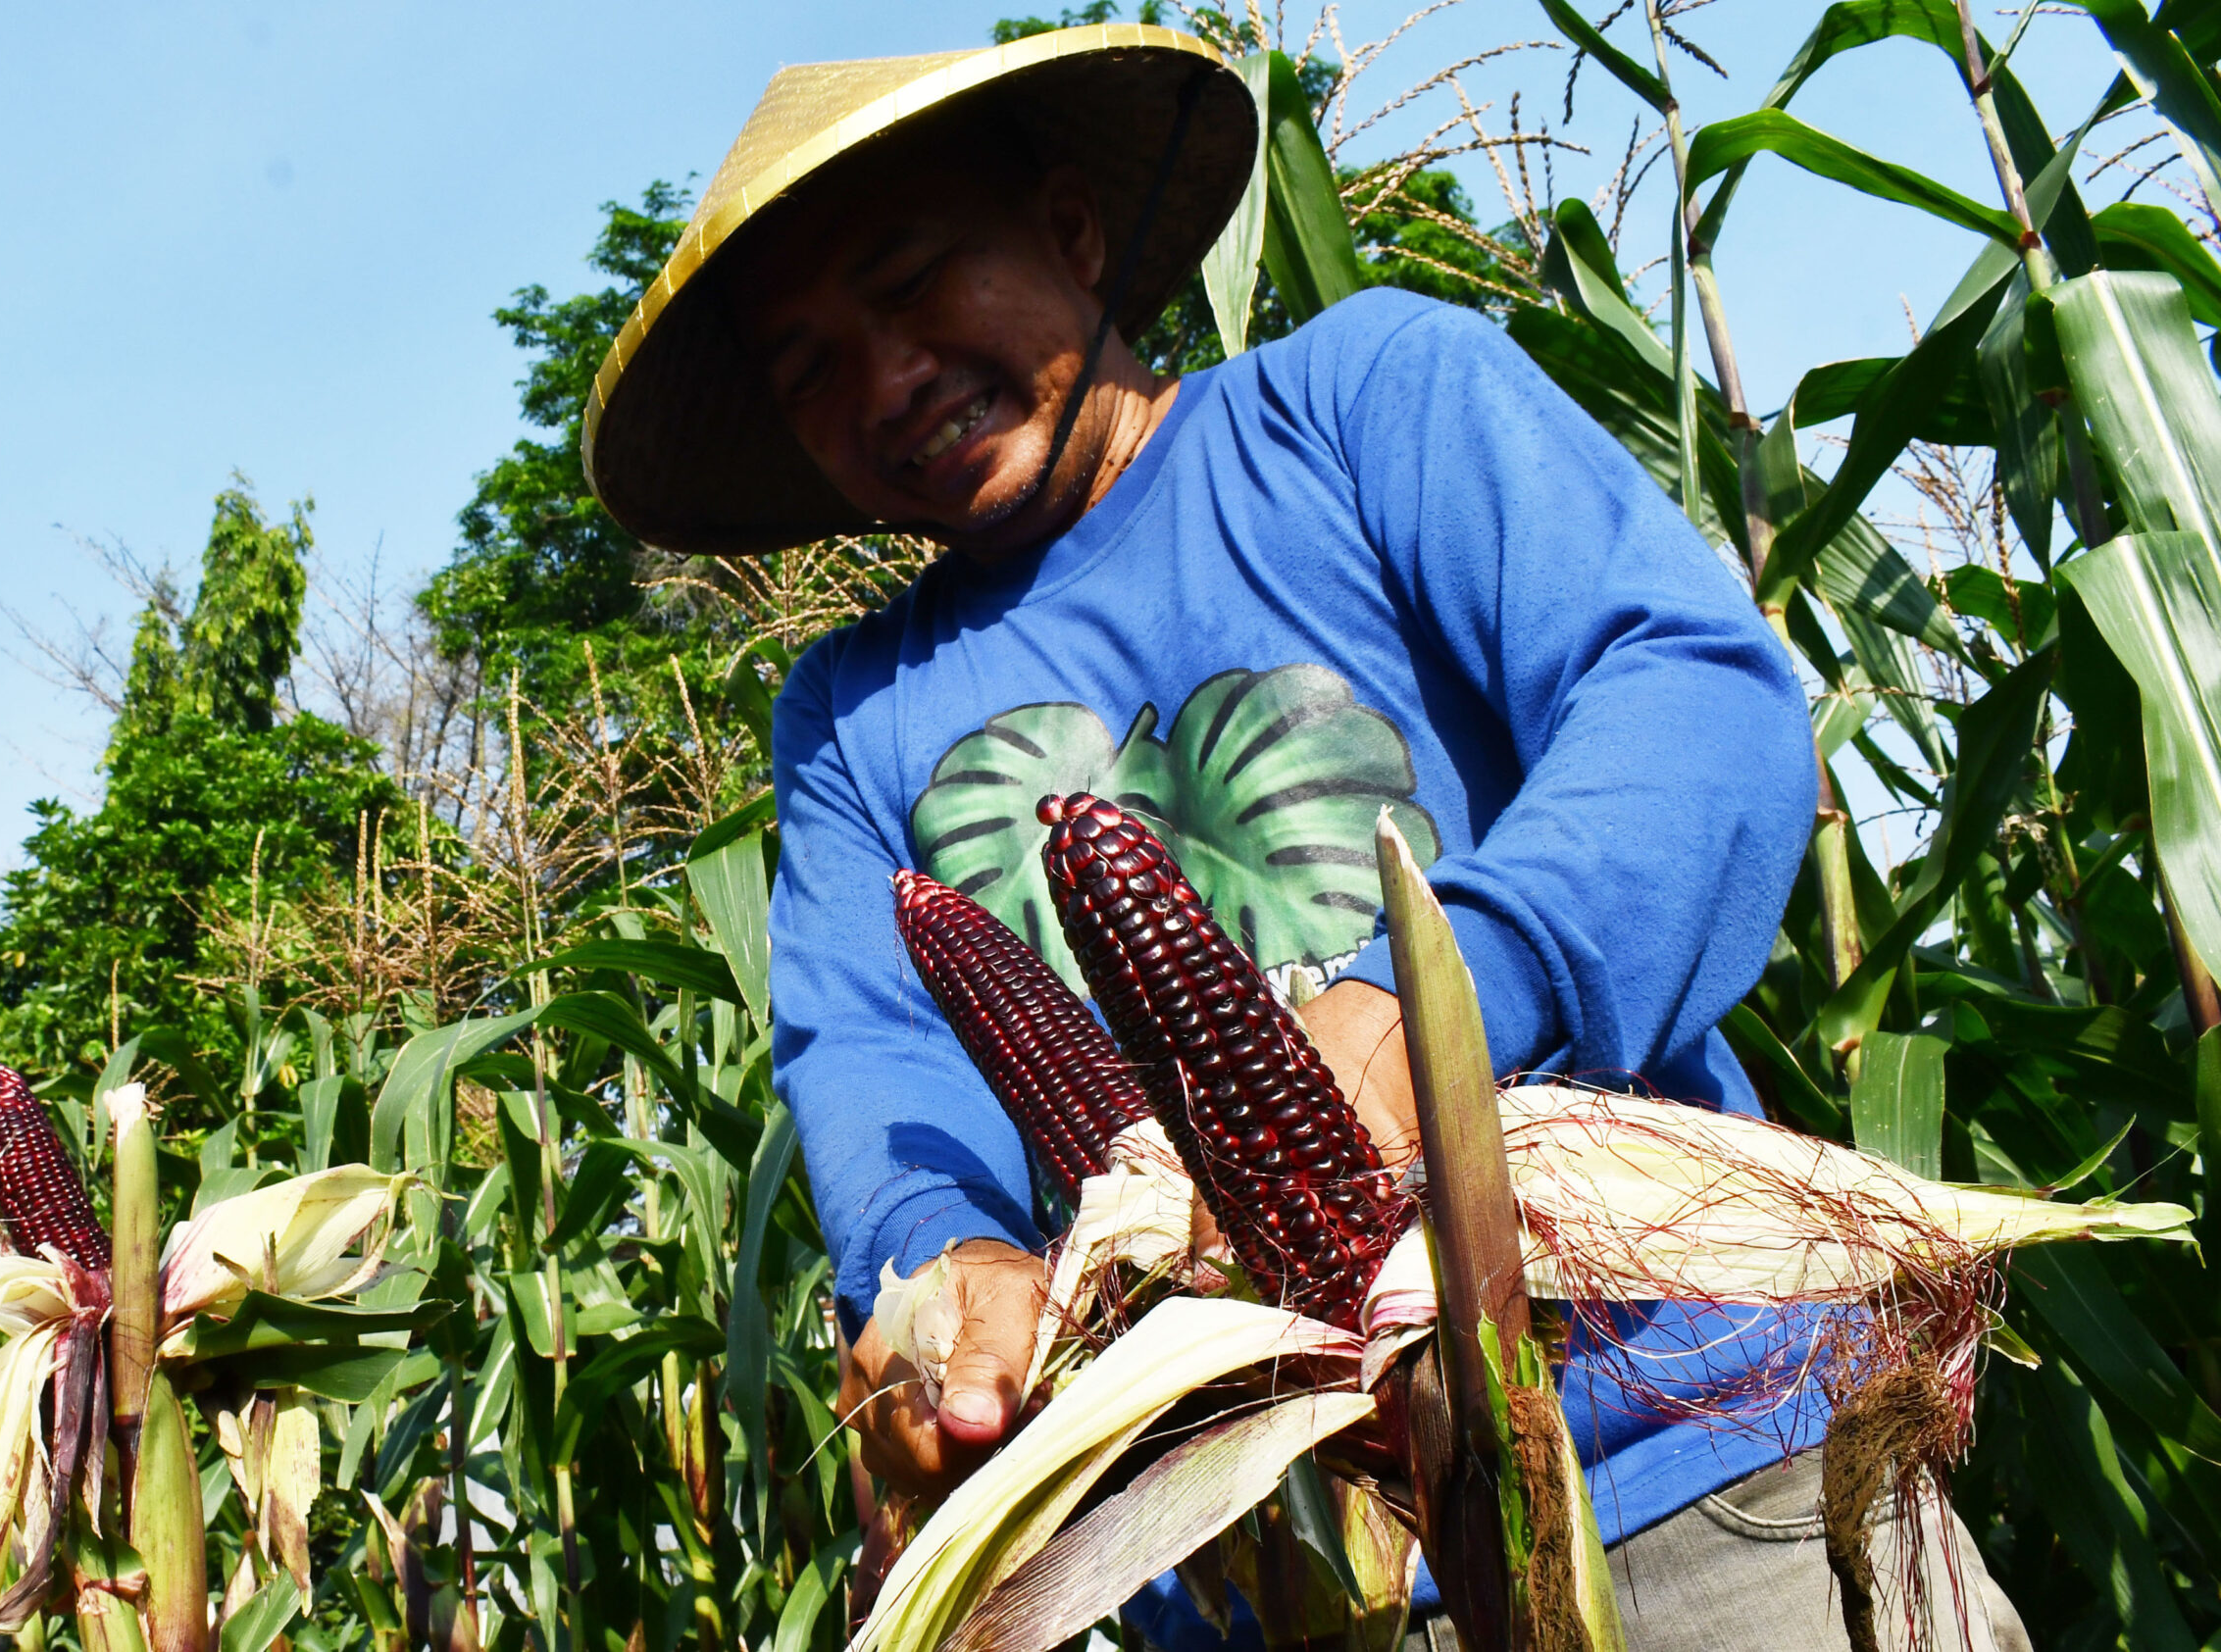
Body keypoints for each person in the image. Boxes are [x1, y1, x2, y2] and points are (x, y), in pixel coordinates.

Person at [581, 23, 2027, 1651]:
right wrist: (945, 1263)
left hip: (1699, 1467)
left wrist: (1435, 1005)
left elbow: (1692, 695)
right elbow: (874, 1066)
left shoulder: (1366, 400)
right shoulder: (852, 717)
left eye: (913, 283)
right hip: (1281, 1583)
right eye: (809, 371)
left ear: (1070, 232)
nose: (886, 379)